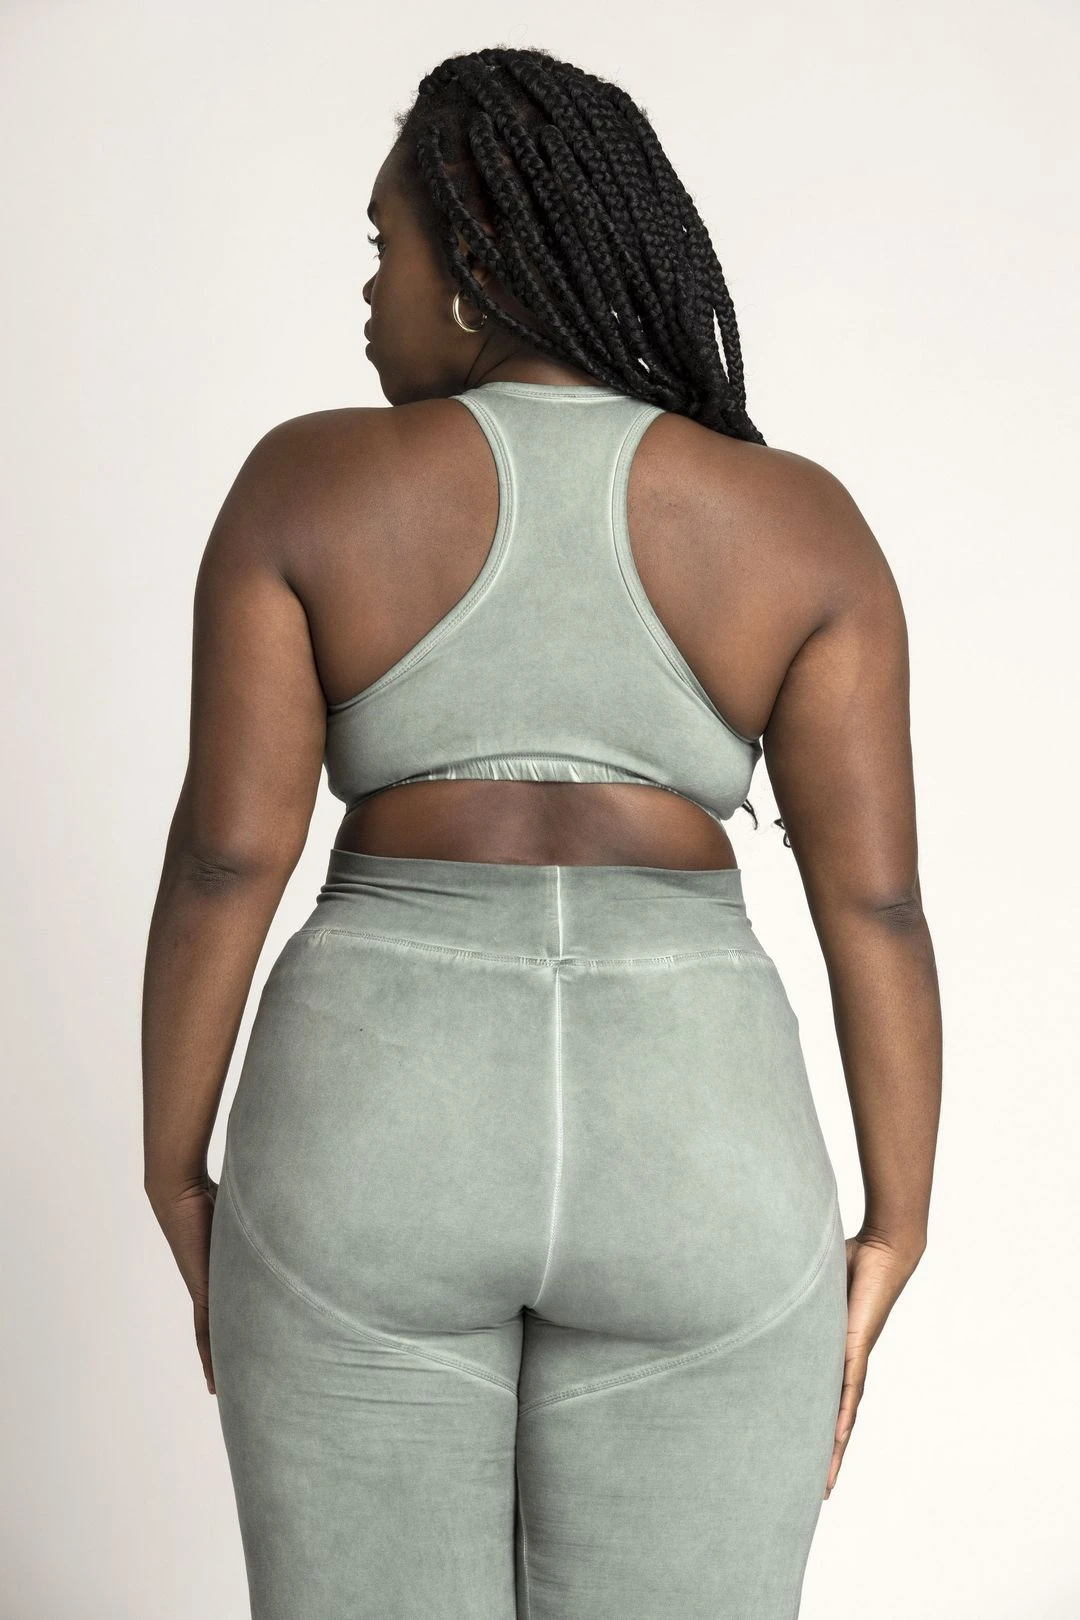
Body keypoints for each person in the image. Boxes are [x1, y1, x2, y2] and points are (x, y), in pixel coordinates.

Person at [141, 45, 941, 1620]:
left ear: (476, 264)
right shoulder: (797, 521)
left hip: (372, 1127)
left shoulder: (307, 484)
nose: (367, 289)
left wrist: (176, 1172)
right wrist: (896, 1228)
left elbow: (228, 859)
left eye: (385, 244)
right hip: (701, 1144)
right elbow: (880, 909)